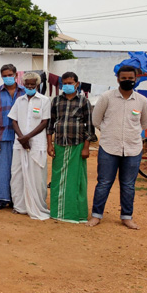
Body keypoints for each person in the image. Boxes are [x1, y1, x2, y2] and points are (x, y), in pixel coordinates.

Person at [88, 65, 147, 230]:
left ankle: (127, 217)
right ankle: (96, 215)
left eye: (130, 78)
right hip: (109, 147)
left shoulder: (142, 101)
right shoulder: (106, 97)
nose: (127, 81)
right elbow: (96, 120)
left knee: (128, 185)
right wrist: (109, 132)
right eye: (124, 78)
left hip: (133, 148)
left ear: (136, 79)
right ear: (118, 79)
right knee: (104, 183)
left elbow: (145, 123)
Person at [47, 72, 94, 223]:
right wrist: (49, 144)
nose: (67, 86)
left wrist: (86, 147)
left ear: (77, 84)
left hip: (77, 145)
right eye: (64, 83)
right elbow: (50, 125)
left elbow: (89, 126)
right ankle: (58, 212)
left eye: (70, 83)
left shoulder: (83, 101)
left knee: (77, 179)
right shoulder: (56, 101)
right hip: (59, 144)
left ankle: (76, 213)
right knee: (58, 178)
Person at [8, 72, 51, 220]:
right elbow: (13, 120)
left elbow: (44, 122)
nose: (30, 87)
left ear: (37, 85)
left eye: (33, 84)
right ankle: (20, 206)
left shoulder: (44, 100)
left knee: (36, 176)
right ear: (24, 85)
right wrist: (21, 137)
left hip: (36, 143)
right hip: (19, 143)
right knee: (17, 174)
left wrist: (28, 137)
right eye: (28, 84)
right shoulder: (19, 100)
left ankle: (37, 206)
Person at [0, 64, 25, 210]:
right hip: (2, 135)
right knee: (1, 169)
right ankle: (0, 199)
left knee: (20, 170)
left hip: (22, 137)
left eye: (10, 75)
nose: (8, 78)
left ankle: (18, 200)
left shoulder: (24, 91)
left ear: (16, 75)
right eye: (5, 76)